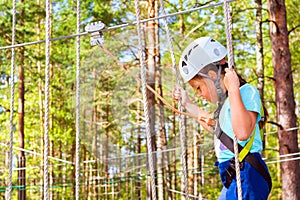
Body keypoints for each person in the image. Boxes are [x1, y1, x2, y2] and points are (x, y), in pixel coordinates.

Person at [173, 36, 272, 199]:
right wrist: (187, 103)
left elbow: (242, 132)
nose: (199, 94)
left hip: (247, 172)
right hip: (235, 173)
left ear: (212, 75)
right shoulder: (226, 104)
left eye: (198, 88)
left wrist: (233, 89)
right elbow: (216, 128)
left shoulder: (245, 92)